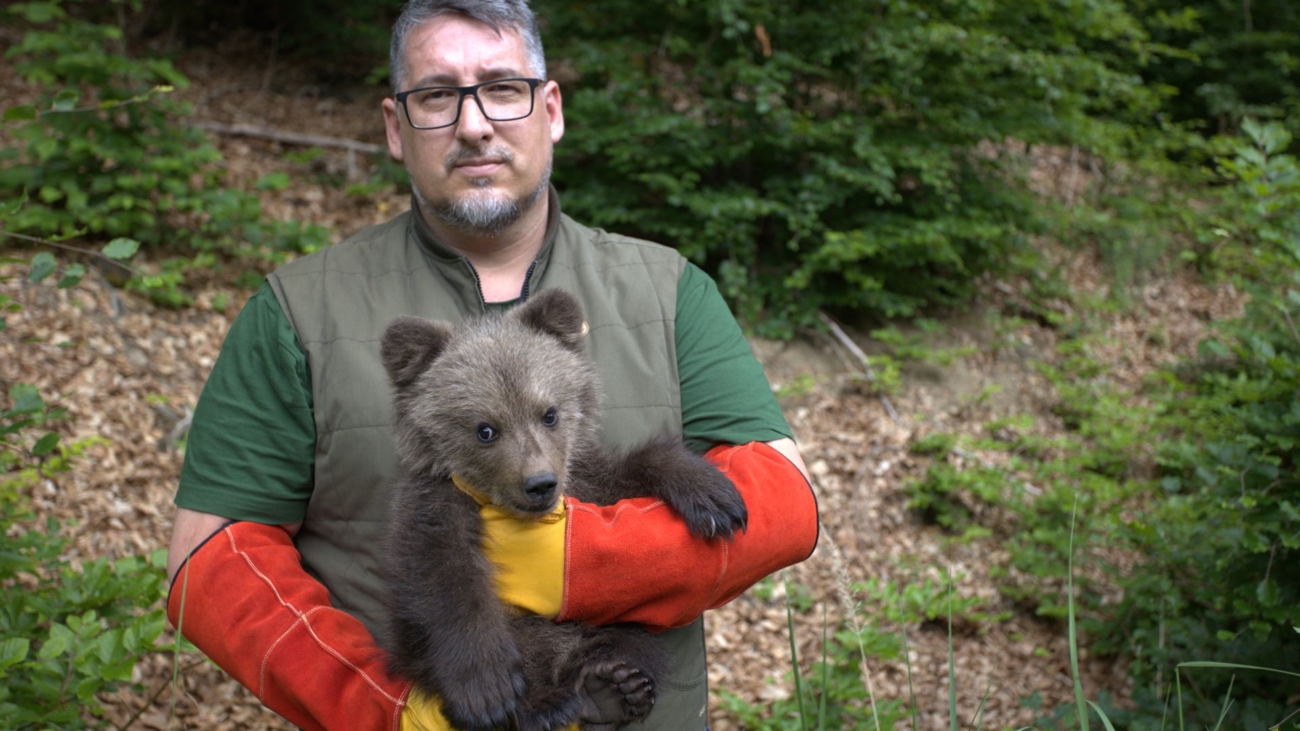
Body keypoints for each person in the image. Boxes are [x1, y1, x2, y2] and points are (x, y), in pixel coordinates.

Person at [164, 1, 819, 729]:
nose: (474, 124)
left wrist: (584, 561)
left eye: (503, 88)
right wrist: (384, 712)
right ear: (395, 127)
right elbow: (212, 561)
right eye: (436, 95)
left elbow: (784, 505)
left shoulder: (667, 290)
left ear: (551, 109)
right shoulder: (297, 311)